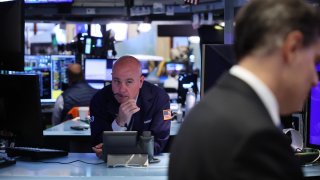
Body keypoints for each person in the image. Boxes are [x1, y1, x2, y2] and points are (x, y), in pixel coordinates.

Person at [169, 0, 320, 179]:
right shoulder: (259, 138)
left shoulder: (203, 112)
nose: (314, 79)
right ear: (292, 47)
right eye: (314, 61)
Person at [90, 55, 171, 158]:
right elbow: (97, 144)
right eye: (116, 81)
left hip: (146, 168)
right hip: (107, 168)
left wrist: (118, 150)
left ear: (141, 81)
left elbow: (160, 141)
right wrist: (119, 123)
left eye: (129, 82)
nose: (122, 89)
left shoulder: (161, 99)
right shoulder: (99, 100)